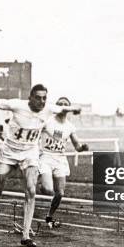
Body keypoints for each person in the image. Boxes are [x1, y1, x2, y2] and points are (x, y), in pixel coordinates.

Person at [0, 84, 81, 247]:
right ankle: (10, 174)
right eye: (38, 98)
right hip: (9, 152)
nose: (42, 101)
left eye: (44, 98)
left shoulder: (49, 109)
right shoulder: (17, 105)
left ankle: (26, 235)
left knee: (31, 191)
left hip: (30, 153)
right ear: (30, 98)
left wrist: (76, 108)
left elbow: (67, 108)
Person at [38, 97, 89, 228]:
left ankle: (49, 216)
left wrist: (82, 148)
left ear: (69, 108)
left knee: (60, 193)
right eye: (60, 104)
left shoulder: (70, 126)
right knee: (47, 189)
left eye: (65, 104)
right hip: (46, 157)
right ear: (56, 106)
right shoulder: (47, 121)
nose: (62, 106)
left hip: (60, 159)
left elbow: (77, 146)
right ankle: (40, 182)